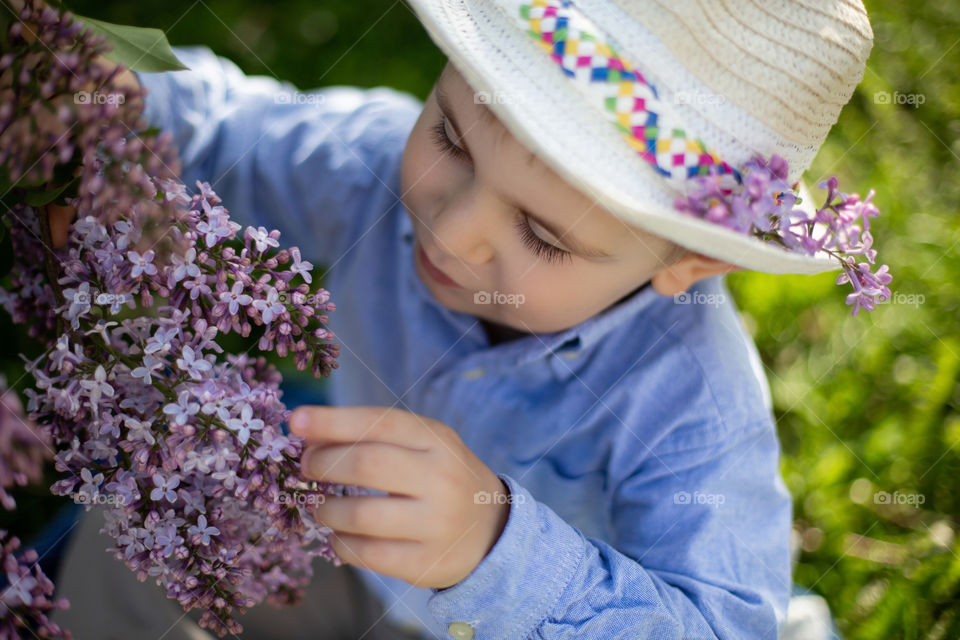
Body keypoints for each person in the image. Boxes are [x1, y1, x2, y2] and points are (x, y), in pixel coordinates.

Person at [48, 0, 878, 638]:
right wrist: (101, 109)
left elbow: (722, 624)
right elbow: (231, 128)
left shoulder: (692, 407)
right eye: (450, 135)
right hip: (346, 549)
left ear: (689, 264)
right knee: (144, 522)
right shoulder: (372, 168)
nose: (448, 226)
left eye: (542, 235)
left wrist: (495, 550)